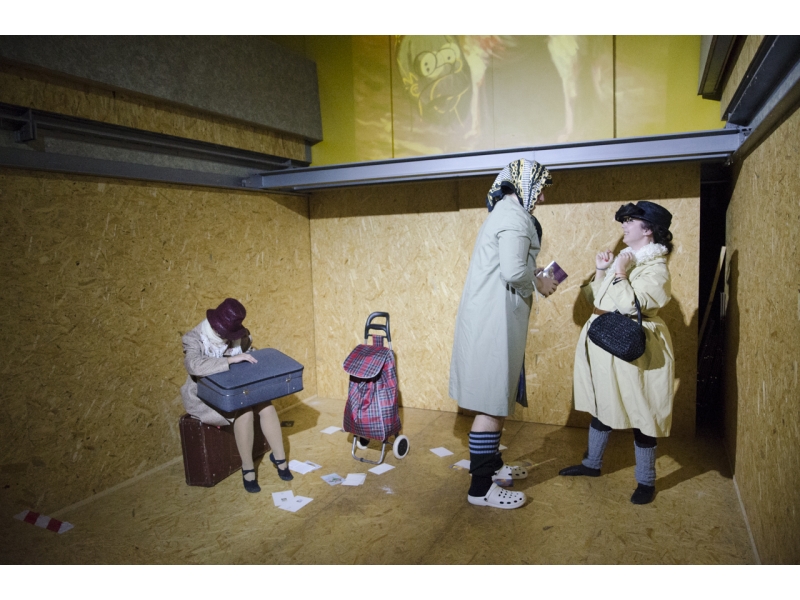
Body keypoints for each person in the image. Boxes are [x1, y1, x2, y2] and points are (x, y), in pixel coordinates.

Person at [449, 158, 559, 510]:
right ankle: (481, 489)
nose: (542, 196)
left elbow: (509, 265)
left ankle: (494, 468)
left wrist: (533, 272)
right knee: (492, 404)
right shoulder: (515, 217)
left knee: (494, 399)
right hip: (493, 323)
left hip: (489, 319)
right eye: (539, 188)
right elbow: (512, 273)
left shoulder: (504, 213)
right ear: (523, 184)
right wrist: (539, 282)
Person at [560, 201, 675, 505]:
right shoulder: (628, 260)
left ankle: (646, 481)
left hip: (632, 350)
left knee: (642, 412)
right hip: (606, 343)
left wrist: (620, 270)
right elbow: (598, 299)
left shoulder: (656, 269)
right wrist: (602, 271)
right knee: (604, 403)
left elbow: (630, 306)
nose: (624, 225)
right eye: (625, 220)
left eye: (631, 221)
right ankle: (592, 464)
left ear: (648, 230)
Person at [181, 298, 292, 493]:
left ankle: (280, 459)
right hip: (206, 394)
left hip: (238, 386)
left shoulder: (240, 335)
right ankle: (248, 469)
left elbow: (249, 353)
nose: (227, 338)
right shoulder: (194, 338)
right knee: (245, 412)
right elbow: (194, 366)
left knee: (267, 407)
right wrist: (230, 360)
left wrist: (255, 359)